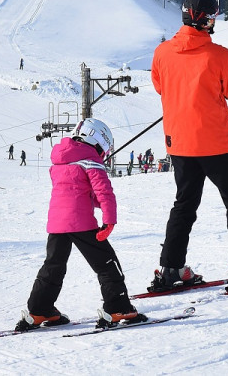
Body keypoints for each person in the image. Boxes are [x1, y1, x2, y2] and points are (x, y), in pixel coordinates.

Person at [149, 0, 228, 292]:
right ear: (206, 21)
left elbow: (159, 86)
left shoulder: (162, 52)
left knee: (184, 205)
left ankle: (171, 268)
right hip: (216, 144)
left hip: (181, 144)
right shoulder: (220, 55)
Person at [15, 118, 146, 331]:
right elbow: (104, 191)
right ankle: (118, 307)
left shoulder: (59, 160)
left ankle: (39, 310)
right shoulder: (90, 159)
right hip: (81, 222)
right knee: (107, 263)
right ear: (99, 142)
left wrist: (93, 201)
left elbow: (77, 190)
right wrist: (109, 220)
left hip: (57, 224)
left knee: (53, 267)